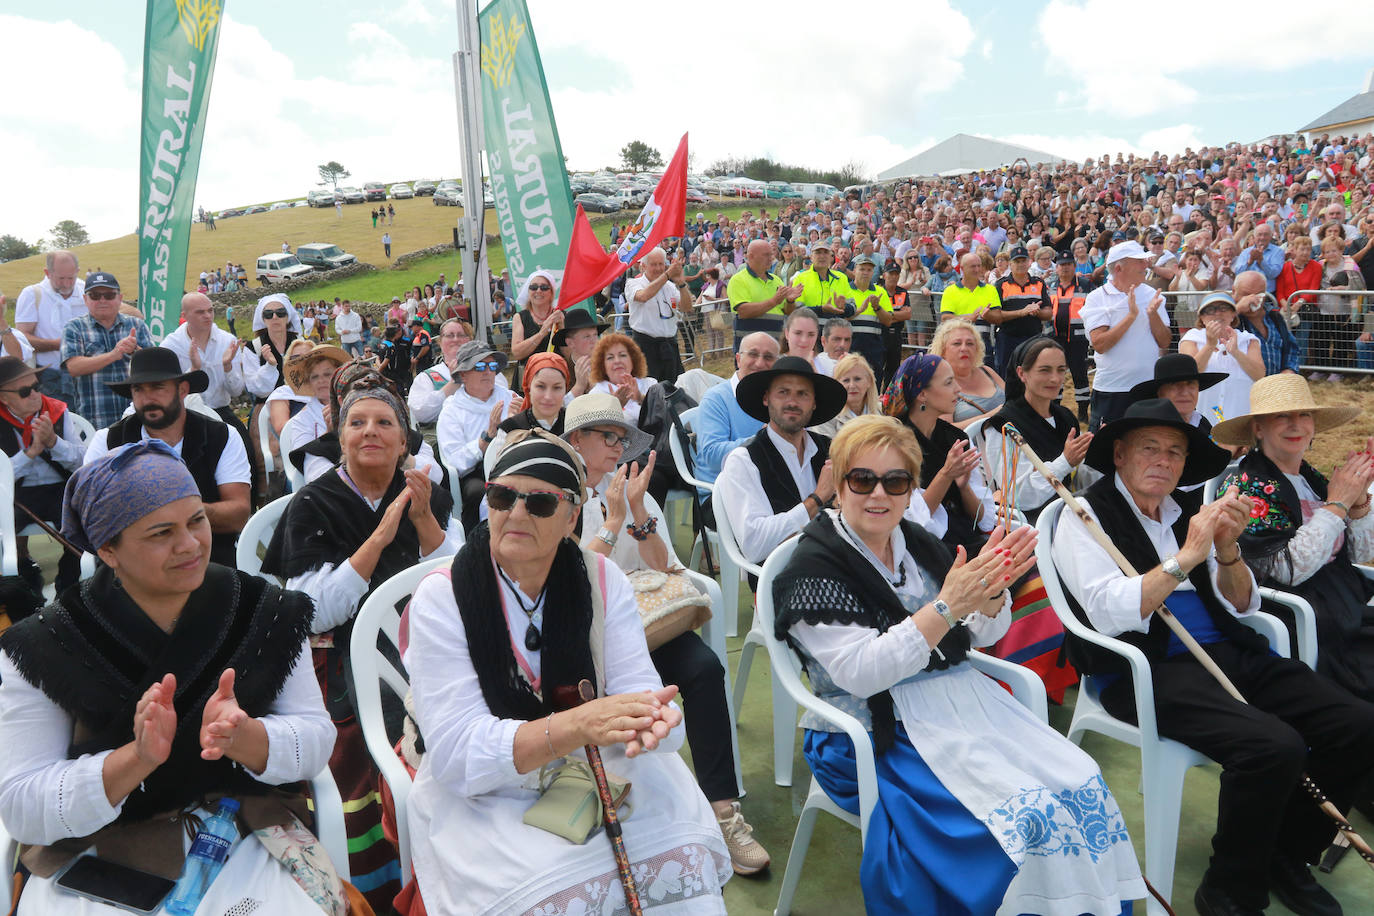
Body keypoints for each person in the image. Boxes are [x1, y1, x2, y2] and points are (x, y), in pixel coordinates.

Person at [774, 416, 1144, 916]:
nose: (878, 494)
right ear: (837, 485)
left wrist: (990, 596)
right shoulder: (811, 569)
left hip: (958, 703)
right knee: (1026, 817)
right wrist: (947, 607)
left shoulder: (919, 544)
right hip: (868, 725)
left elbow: (980, 636)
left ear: (911, 490)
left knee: (1081, 780)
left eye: (896, 481)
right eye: (862, 479)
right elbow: (860, 673)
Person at [1052, 397, 1374, 916]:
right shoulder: (1084, 514)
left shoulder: (1184, 512)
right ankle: (1229, 886)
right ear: (1119, 456)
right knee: (1273, 745)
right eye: (1149, 449)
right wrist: (1185, 558)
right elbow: (1109, 613)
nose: (1163, 460)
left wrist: (1226, 551)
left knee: (1355, 722)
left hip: (1225, 649)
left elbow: (1240, 604)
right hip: (1144, 668)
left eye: (1175, 452)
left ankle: (1286, 854)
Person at [0, 442, 337, 914]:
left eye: (197, 520)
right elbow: (20, 806)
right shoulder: (47, 644)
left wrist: (246, 737)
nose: (191, 544)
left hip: (242, 828)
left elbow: (316, 739)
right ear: (108, 550)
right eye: (162, 533)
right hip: (99, 849)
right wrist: (133, 760)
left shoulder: (265, 612)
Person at [402, 430, 731, 914]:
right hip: (487, 783)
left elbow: (637, 688)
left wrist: (651, 720)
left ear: (573, 516)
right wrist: (577, 724)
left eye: (539, 502)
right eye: (501, 496)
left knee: (678, 854)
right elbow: (456, 754)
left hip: (594, 756)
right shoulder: (442, 596)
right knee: (547, 888)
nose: (515, 513)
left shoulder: (601, 578)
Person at [262, 384, 461, 909]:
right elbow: (310, 612)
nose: (370, 431)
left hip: (427, 640)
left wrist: (423, 522)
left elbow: (459, 580)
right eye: (357, 423)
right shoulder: (313, 503)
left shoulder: (424, 493)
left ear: (403, 444)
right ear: (340, 440)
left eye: (384, 423)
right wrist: (377, 541)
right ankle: (390, 884)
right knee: (375, 735)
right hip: (337, 653)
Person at [563, 393, 769, 875]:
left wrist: (637, 512)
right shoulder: (559, 497)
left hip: (644, 620)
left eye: (622, 438)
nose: (618, 447)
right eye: (608, 437)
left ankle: (723, 810)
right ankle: (633, 814)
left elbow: (665, 565)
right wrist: (613, 521)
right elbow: (571, 579)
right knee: (625, 701)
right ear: (577, 440)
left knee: (704, 668)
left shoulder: (630, 488)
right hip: (584, 632)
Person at [1212, 374, 1374, 700]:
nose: (1295, 425)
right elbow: (1286, 571)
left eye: (1304, 415)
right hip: (1303, 616)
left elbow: (1359, 553)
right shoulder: (1248, 486)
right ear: (1258, 429)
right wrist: (1338, 504)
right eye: (1281, 416)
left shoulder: (1309, 476)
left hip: (1343, 599)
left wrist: (1357, 507)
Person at [83, 348, 252, 567]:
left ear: (182, 390)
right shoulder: (107, 441)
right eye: (138, 390)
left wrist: (179, 510)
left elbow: (238, 513)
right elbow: (89, 511)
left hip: (207, 561)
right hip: (132, 569)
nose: (147, 398)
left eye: (157, 387)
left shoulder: (222, 436)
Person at [713, 356, 847, 565]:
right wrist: (817, 498)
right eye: (783, 392)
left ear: (814, 404)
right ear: (766, 398)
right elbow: (755, 545)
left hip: (838, 565)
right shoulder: (744, 460)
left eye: (802, 394)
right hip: (780, 579)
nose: (792, 402)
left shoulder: (832, 449)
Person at [886, 353, 995, 554]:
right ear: (922, 394)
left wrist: (964, 488)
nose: (958, 389)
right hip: (923, 549)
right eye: (948, 383)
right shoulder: (893, 442)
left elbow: (982, 520)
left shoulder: (955, 437)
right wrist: (946, 475)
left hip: (965, 539)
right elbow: (912, 521)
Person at [983, 337, 1098, 522]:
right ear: (1022, 373)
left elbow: (1078, 477)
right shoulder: (1003, 426)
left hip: (1070, 512)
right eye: (1045, 370)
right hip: (1031, 523)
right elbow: (1016, 495)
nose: (1055, 379)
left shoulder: (1065, 417)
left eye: (1061, 370)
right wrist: (1065, 462)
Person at [0, 357, 86, 592]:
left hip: (61, 489)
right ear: (3, 398)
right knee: (4, 531)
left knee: (79, 528)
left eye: (37, 387)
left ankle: (69, 588)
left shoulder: (57, 411)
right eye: (25, 391)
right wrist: (31, 453)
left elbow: (83, 461)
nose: (35, 395)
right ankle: (21, 586)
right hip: (15, 494)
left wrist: (53, 442)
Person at [1081, 241, 1171, 430]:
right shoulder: (1097, 297)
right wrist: (1131, 316)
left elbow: (1164, 341)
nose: (1145, 265)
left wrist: (1152, 314)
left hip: (1148, 388)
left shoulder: (1151, 294)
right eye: (1138, 261)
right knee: (1107, 452)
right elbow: (1100, 344)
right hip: (1112, 390)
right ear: (1120, 267)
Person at [59, 272, 154, 430]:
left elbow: (154, 367)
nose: (102, 300)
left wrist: (135, 351)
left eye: (109, 295)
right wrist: (114, 354)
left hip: (138, 419)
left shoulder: (137, 325)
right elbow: (73, 368)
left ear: (120, 298)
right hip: (96, 422)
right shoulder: (74, 327)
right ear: (85, 299)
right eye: (95, 295)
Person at [437, 340, 514, 532]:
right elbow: (455, 462)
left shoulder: (510, 398)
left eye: (492, 366)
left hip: (511, 463)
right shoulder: (452, 411)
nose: (488, 371)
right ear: (463, 374)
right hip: (475, 472)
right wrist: (486, 438)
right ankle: (476, 541)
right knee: (477, 492)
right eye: (480, 366)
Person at [694, 332, 779, 492]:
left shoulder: (779, 398)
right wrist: (760, 439)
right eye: (753, 354)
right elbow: (712, 456)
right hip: (723, 492)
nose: (760, 363)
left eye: (768, 357)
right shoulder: (716, 398)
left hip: (768, 488)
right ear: (738, 359)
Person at [1179, 292, 1264, 427]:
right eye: (1210, 310)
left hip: (1239, 417)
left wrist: (1236, 352)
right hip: (1203, 417)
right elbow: (1189, 374)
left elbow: (1259, 375)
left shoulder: (1249, 340)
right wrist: (1210, 345)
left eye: (1223, 308)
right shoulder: (1192, 338)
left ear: (1233, 315)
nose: (1217, 313)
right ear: (1202, 317)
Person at [14, 249, 86, 408]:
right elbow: (22, 337)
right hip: (50, 377)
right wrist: (58, 344)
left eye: (71, 278)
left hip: (85, 374)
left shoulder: (87, 291)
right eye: (61, 278)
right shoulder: (32, 294)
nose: (67, 284)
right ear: (47, 273)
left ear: (78, 272)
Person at [483, 351, 569, 476]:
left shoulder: (574, 424)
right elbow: (500, 475)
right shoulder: (511, 428)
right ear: (528, 388)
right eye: (541, 386)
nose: (548, 396)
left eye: (557, 388)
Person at [280, 343, 349, 474]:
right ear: (309, 383)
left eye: (327, 374)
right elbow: (310, 467)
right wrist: (328, 437)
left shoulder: (357, 405)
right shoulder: (301, 420)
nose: (321, 380)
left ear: (339, 376)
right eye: (314, 377)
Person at [626, 247, 691, 384]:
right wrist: (667, 275)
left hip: (669, 346)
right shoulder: (633, 284)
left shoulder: (670, 286)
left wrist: (681, 283)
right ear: (643, 266)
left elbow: (686, 307)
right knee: (650, 392)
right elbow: (644, 296)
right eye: (653, 264)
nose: (658, 268)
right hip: (646, 347)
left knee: (675, 390)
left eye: (661, 264)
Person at [1048, 251, 1097, 426]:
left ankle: (1083, 411)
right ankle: (1055, 408)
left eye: (1069, 264)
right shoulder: (1050, 285)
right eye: (1062, 264)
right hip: (1054, 339)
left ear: (1074, 266)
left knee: (1080, 375)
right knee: (1055, 374)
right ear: (1057, 268)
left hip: (1077, 339)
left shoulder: (1085, 285)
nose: (1065, 267)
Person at [929, 318, 1005, 428]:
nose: (964, 348)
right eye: (957, 343)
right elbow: (945, 430)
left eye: (970, 343)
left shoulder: (988, 371)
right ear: (943, 350)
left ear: (977, 349)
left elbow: (1013, 401)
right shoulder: (939, 383)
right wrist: (991, 417)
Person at [989, 246, 1052, 376]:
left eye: (1023, 261)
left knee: (1033, 375)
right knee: (1007, 376)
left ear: (1029, 262)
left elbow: (1049, 313)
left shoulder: (1039, 283)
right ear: (1010, 264)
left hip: (1033, 338)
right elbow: (996, 316)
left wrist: (1037, 312)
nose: (1021, 264)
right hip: (1008, 339)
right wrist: (1022, 312)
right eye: (1017, 261)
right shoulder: (1001, 285)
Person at [727, 239, 801, 350]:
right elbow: (743, 311)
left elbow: (787, 311)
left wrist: (790, 301)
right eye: (766, 255)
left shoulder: (776, 280)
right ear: (751, 256)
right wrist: (774, 301)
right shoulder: (738, 280)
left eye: (771, 254)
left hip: (776, 347)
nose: (771, 258)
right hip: (750, 350)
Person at [1234, 269, 1302, 376]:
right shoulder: (1230, 319)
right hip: (1244, 388)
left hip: (1274, 388)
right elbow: (1213, 334)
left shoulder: (1274, 316)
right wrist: (1237, 309)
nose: (1252, 300)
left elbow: (1291, 348)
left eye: (1258, 295)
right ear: (1234, 292)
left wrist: (1290, 369)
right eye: (1246, 295)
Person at [508, 269, 565, 393]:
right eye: (533, 287)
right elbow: (517, 352)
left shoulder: (561, 316)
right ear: (528, 292)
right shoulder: (520, 317)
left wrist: (561, 327)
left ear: (551, 292)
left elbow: (569, 354)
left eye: (544, 287)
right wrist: (541, 333)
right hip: (527, 382)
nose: (538, 291)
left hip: (556, 380)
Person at [938, 252, 999, 361]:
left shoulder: (991, 289)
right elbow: (945, 318)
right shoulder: (950, 291)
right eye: (973, 266)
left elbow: (998, 318)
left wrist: (988, 316)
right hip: (958, 345)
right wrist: (968, 318)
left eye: (979, 266)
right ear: (962, 268)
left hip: (984, 345)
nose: (977, 269)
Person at [588, 332, 656, 426]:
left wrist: (640, 398)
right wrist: (615, 408)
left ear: (633, 360)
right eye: (610, 357)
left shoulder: (650, 384)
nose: (617, 361)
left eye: (622, 355)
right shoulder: (595, 396)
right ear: (602, 366)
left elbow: (664, 415)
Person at [810, 351, 881, 440]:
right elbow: (827, 452)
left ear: (869, 382)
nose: (852, 385)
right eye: (846, 380)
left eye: (857, 379)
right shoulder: (826, 417)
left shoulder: (882, 411)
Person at [845, 255, 892, 375]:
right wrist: (859, 311)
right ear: (854, 270)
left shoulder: (880, 292)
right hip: (849, 345)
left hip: (873, 348)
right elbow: (839, 319)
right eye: (862, 269)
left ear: (873, 273)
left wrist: (877, 307)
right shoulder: (844, 290)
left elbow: (888, 321)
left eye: (869, 270)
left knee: (873, 383)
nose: (865, 273)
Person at [790, 239, 854, 318]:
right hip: (810, 329)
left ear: (831, 257)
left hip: (835, 328)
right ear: (811, 257)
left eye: (826, 252)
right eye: (818, 252)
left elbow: (853, 307)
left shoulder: (841, 278)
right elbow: (797, 310)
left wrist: (844, 307)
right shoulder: (800, 278)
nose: (822, 256)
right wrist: (821, 309)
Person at [552, 307, 605, 400]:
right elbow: (557, 408)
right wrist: (579, 387)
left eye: (595, 335)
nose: (594, 340)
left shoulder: (607, 364)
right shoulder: (561, 372)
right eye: (586, 336)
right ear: (570, 343)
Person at [1231, 222, 1284, 293]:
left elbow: (1274, 274)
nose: (1262, 237)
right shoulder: (1246, 252)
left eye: (1266, 234)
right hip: (1247, 293)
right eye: (1259, 234)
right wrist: (1249, 262)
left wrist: (1261, 261)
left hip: (1268, 295)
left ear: (1271, 236)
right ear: (1254, 237)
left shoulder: (1278, 251)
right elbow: (1238, 273)